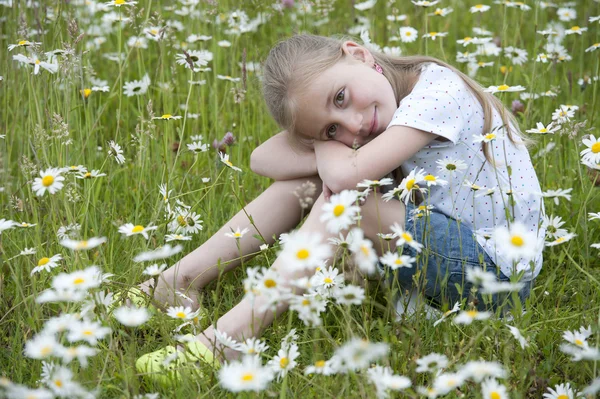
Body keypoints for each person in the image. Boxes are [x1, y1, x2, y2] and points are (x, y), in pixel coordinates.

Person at [133, 34, 545, 384]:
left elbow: (345, 178)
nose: (353, 125)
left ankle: (232, 337)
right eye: (331, 127)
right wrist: (329, 148)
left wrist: (328, 146)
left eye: (341, 97)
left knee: (340, 196)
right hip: (438, 251)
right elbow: (262, 158)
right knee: (326, 180)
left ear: (359, 54)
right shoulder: (377, 113)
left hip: (495, 274)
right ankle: (180, 280)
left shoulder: (438, 93)